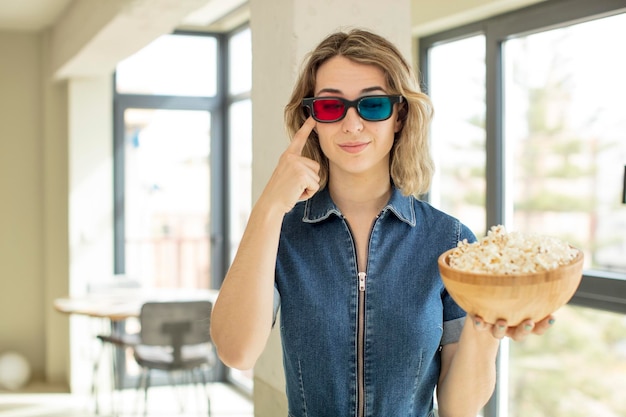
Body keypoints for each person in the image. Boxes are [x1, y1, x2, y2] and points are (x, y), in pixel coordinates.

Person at [210, 28, 554, 417]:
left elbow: (458, 408)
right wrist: (269, 206)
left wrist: (488, 323)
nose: (352, 125)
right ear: (312, 120)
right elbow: (236, 351)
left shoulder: (452, 241)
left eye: (372, 105)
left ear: (399, 116)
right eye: (330, 107)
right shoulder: (282, 235)